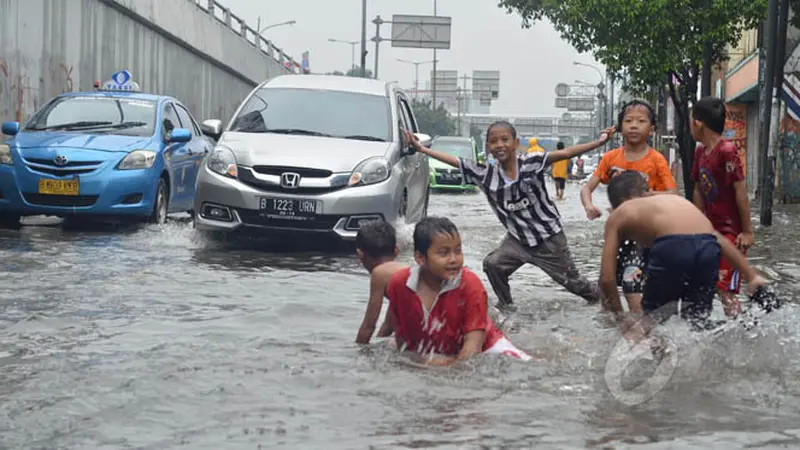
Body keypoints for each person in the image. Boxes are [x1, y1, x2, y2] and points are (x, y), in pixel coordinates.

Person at [404, 122, 615, 310]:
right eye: (493, 141)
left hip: (549, 240)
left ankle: (606, 301)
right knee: (493, 264)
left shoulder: (532, 162)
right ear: (488, 147)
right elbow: (456, 162)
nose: (499, 145)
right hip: (517, 241)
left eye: (505, 139)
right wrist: (422, 149)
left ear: (515, 143)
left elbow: (566, 153)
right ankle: (507, 307)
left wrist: (599, 142)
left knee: (576, 285)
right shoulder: (485, 174)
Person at [599, 171, 767, 335]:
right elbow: (719, 240)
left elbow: (607, 279)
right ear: (646, 192)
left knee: (653, 322)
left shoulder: (620, 213)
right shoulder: (675, 200)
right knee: (697, 322)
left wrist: (620, 318)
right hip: (708, 247)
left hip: (672, 246)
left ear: (617, 203)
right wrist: (751, 276)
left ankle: (660, 361)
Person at [385, 217, 532, 366]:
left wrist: (439, 365)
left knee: (527, 366)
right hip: (439, 351)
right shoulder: (400, 284)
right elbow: (402, 339)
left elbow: (472, 354)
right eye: (444, 253)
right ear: (420, 258)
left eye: (458, 251)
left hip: (487, 348)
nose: (454, 259)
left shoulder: (469, 285)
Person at [580, 99, 678, 314]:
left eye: (641, 121)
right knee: (606, 285)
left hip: (645, 235)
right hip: (617, 232)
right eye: (629, 120)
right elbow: (587, 188)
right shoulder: (610, 158)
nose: (634, 125)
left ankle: (640, 327)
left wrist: (646, 196)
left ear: (651, 129)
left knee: (633, 285)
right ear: (620, 127)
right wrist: (589, 206)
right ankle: (610, 327)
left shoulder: (656, 160)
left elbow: (673, 193)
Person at [690, 96, 755, 317]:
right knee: (710, 284)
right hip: (710, 231)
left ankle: (741, 332)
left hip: (731, 233)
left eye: (690, 119)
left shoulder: (727, 150)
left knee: (725, 289)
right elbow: (698, 189)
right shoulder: (699, 151)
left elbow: (740, 192)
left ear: (698, 123)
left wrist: (747, 231)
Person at [354, 220, 406, 344]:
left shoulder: (379, 274)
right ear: (396, 250)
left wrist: (357, 355)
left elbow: (369, 326)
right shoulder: (402, 271)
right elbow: (388, 326)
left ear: (360, 255)